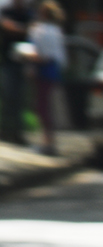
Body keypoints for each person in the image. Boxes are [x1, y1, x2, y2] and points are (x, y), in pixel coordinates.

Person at [29, 0, 66, 156]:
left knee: (43, 107)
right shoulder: (57, 31)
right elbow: (62, 57)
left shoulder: (39, 30)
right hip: (54, 70)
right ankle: (49, 141)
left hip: (43, 69)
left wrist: (30, 64)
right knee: (47, 106)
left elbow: (37, 53)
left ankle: (48, 142)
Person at [0, 0, 31, 145]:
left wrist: (18, 28)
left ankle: (17, 133)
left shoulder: (27, 12)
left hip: (23, 63)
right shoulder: (7, 11)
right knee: (8, 97)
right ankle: (5, 132)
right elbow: (6, 26)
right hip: (8, 62)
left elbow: (34, 29)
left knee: (20, 99)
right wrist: (23, 29)